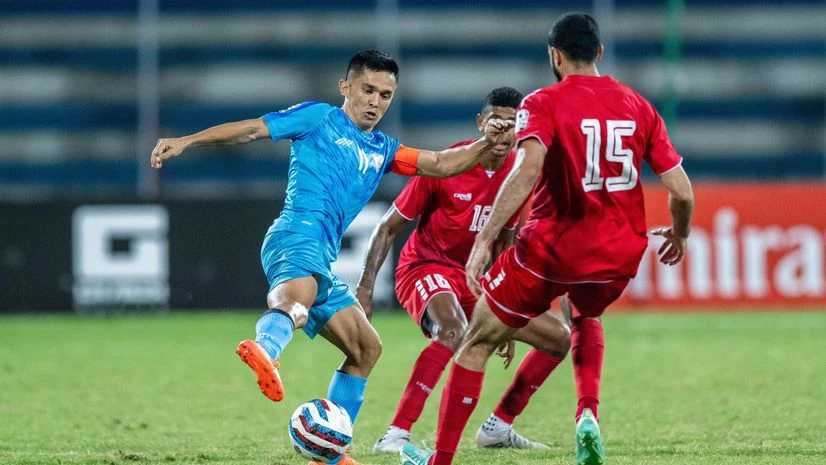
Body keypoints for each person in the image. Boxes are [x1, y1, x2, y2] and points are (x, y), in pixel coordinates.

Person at [149, 49, 513, 465]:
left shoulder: (385, 149)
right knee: (295, 299)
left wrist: (489, 141)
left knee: (366, 349)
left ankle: (330, 452)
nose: (376, 102)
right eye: (368, 90)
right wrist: (186, 141)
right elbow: (252, 130)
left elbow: (440, 163)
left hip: (322, 255)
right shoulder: (319, 118)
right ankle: (267, 347)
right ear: (346, 87)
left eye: (386, 95)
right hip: (295, 234)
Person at [400, 13, 694, 465]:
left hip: (552, 248)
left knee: (478, 339)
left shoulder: (544, 102)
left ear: (554, 55)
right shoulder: (639, 106)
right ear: (598, 52)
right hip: (619, 254)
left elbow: (527, 170)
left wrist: (486, 239)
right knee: (584, 319)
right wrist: (680, 232)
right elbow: (681, 191)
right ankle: (585, 415)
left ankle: (440, 459)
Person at [357, 87, 570, 454]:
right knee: (452, 329)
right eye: (496, 123)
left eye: (512, 125)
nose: (503, 134)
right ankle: (395, 434)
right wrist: (364, 290)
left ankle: (499, 426)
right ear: (480, 123)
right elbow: (387, 227)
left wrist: (506, 304)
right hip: (424, 268)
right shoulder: (448, 164)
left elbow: (504, 243)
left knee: (559, 338)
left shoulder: (520, 175)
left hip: (473, 280)